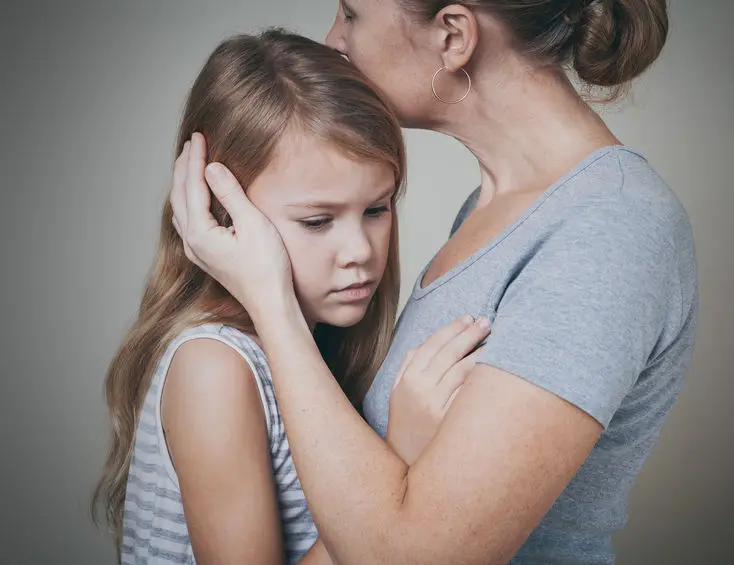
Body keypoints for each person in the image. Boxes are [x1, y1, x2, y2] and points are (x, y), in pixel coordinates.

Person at [171, 1, 698, 563]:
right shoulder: (490, 208)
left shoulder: (607, 229)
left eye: (352, 13)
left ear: (453, 35)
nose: (334, 39)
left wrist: (271, 303)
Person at [92, 29, 487, 565]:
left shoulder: (317, 348)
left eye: (377, 209)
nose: (359, 251)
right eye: (317, 220)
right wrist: (402, 458)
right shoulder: (215, 366)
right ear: (222, 214)